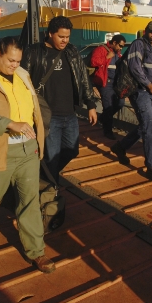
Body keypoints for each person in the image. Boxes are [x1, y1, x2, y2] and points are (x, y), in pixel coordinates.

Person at [0, 37, 55, 274]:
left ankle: (37, 252)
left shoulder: (23, 77)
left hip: (27, 149)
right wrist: (9, 124)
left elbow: (34, 108)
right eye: (11, 60)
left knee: (30, 201)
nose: (15, 65)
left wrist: (38, 137)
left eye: (18, 61)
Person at [21, 16, 98, 183]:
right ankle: (51, 190)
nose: (65, 41)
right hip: (48, 116)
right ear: (50, 33)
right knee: (52, 157)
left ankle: (46, 177)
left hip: (70, 114)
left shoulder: (72, 51)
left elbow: (84, 78)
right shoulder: (34, 51)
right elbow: (22, 81)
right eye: (61, 37)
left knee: (71, 150)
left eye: (67, 37)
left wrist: (91, 105)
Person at [110, 20, 152, 182]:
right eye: (151, 31)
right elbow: (135, 67)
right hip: (140, 91)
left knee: (147, 126)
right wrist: (149, 85)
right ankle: (151, 167)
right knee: (149, 128)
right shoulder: (138, 44)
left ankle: (120, 147)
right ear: (145, 31)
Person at [90, 34, 126, 140]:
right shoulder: (101, 49)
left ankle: (103, 117)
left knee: (120, 103)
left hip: (116, 83)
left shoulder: (118, 53)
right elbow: (93, 62)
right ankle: (108, 131)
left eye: (122, 46)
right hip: (105, 82)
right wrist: (106, 58)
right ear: (114, 43)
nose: (121, 48)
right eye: (120, 45)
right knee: (108, 106)